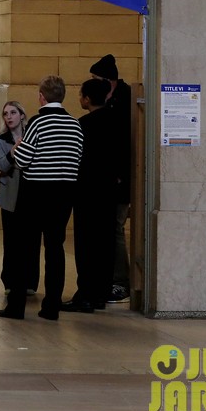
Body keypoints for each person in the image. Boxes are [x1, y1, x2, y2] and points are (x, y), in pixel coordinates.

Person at [0, 75, 84, 321]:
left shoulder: (38, 122)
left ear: (41, 97)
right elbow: (77, 158)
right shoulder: (74, 125)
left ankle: (16, 307)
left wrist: (15, 151)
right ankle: (51, 307)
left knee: (25, 249)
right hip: (64, 193)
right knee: (55, 249)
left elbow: (23, 159)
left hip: (35, 192)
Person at [62, 79, 121, 313]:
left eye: (80, 95)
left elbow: (77, 158)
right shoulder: (117, 121)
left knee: (86, 245)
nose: (79, 99)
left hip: (86, 191)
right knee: (106, 242)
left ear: (87, 99)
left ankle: (85, 294)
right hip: (108, 191)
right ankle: (101, 294)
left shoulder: (83, 124)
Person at [89, 53, 134, 303]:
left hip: (119, 180)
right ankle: (110, 279)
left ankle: (120, 282)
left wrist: (118, 175)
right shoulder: (110, 100)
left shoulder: (124, 101)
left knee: (116, 229)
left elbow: (124, 143)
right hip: (110, 178)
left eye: (96, 78)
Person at [0, 101, 39, 295]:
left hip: (31, 192)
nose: (9, 117)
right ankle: (10, 281)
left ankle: (30, 282)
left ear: (21, 115)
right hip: (10, 194)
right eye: (5, 114)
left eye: (13, 112)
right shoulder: (0, 140)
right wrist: (13, 152)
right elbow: (2, 166)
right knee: (11, 240)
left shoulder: (33, 135)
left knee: (32, 239)